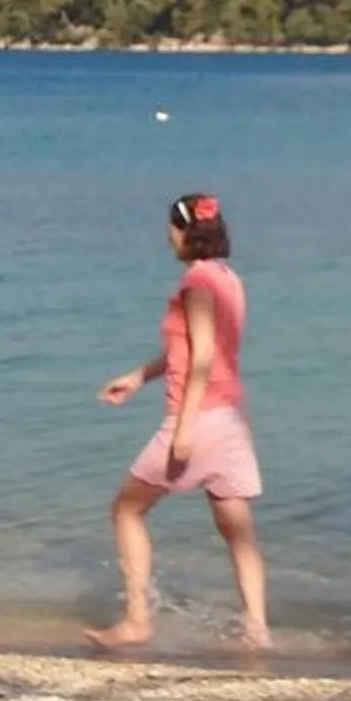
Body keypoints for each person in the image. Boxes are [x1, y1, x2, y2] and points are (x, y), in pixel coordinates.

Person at [87, 192, 270, 650]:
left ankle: (136, 621)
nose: (167, 236)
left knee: (126, 510)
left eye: (170, 228)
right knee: (237, 530)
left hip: (200, 418)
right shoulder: (230, 279)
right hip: (231, 420)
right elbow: (191, 351)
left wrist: (183, 428)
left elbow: (203, 358)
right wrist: (139, 376)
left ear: (185, 231)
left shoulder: (195, 285)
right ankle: (257, 629)